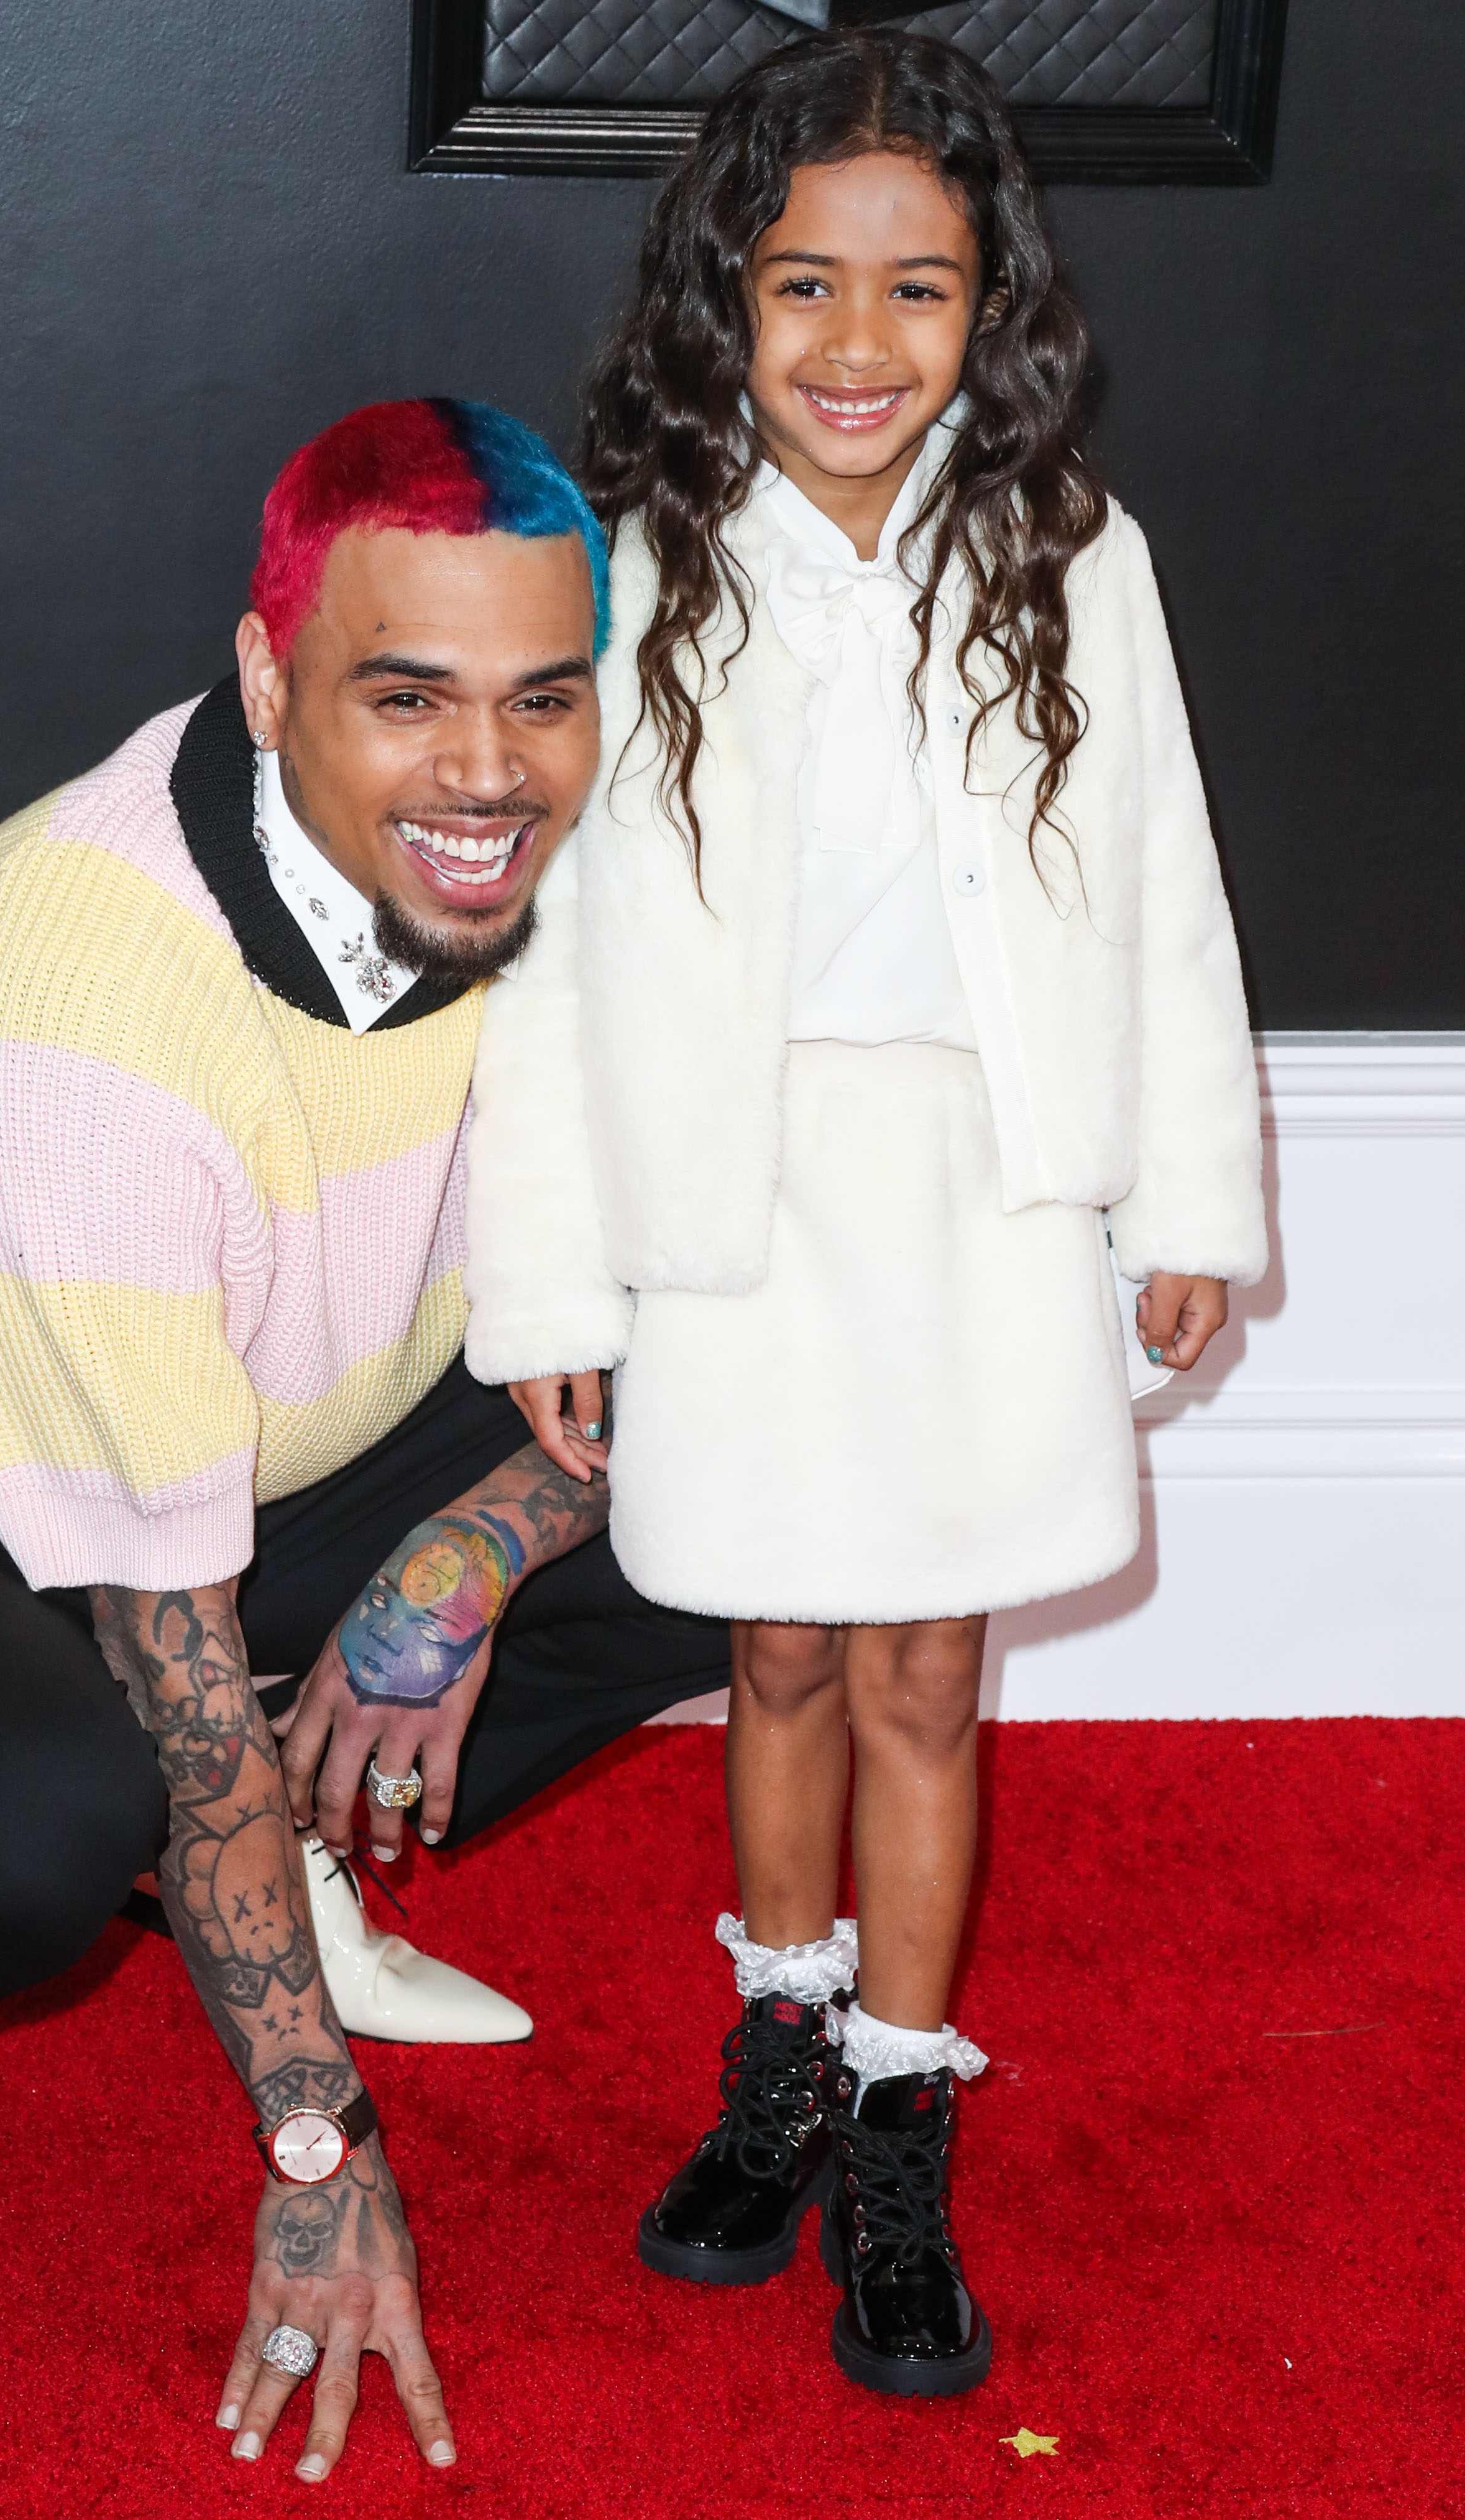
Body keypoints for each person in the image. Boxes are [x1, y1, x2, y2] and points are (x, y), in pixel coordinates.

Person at [0, 398, 726, 2480]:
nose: (489, 776)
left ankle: (295, 1831)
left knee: (745, 1511)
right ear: (269, 680)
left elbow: (758, 1281)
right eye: (409, 699)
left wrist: (460, 1566)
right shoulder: (80, 1029)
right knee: (60, 1819)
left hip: (267, 1408)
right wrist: (314, 2149)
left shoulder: (571, 849)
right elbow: (175, 1669)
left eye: (544, 699)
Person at [462, 33, 1265, 2399]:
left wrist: (1177, 1190)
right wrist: (552, 1263)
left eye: (912, 291)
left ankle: (903, 2119)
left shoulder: (1068, 556)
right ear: (723, 300)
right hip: (735, 1196)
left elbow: (1163, 888)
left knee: (928, 1669)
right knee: (780, 1659)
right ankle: (780, 2059)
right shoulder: (626, 563)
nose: (851, 343)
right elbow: (553, 942)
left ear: (985, 307)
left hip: (985, 1201)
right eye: (801, 283)